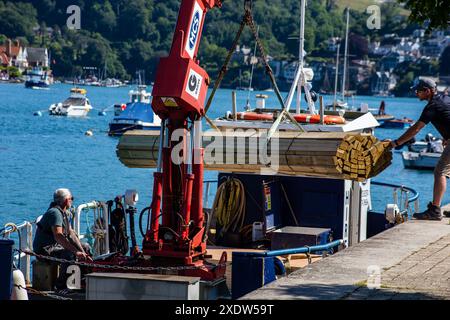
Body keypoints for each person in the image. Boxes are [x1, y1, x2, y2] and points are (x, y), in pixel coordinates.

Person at [387, 79, 450, 220]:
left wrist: (396, 143)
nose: (416, 93)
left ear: (428, 91)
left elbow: (416, 128)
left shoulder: (432, 106)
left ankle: (434, 210)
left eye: (418, 91)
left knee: (440, 172)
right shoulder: (445, 98)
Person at [33, 188, 92, 288]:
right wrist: (75, 251)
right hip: (45, 249)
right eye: (71, 198)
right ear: (66, 201)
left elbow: (71, 234)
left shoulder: (64, 212)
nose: (72, 200)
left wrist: (83, 252)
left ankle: (81, 279)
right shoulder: (55, 213)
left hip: (55, 246)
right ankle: (62, 285)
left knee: (86, 246)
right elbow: (58, 236)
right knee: (69, 254)